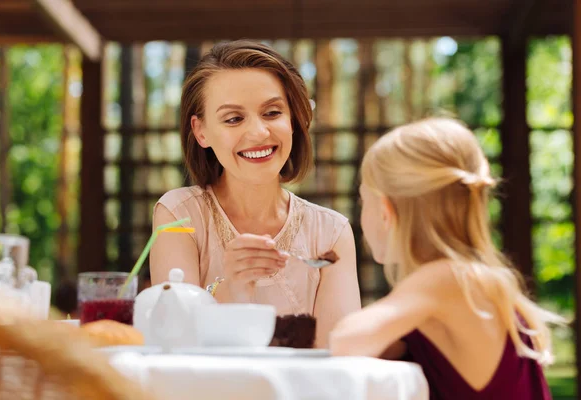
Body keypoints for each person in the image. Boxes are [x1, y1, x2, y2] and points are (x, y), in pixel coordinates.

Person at [329, 117, 564, 399]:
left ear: (385, 211)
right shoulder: (472, 280)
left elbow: (345, 340)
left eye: (362, 200)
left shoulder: (444, 278)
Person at [150, 40, 361, 348]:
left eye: (272, 112)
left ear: (293, 121)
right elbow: (173, 344)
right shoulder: (178, 215)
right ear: (201, 131)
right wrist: (232, 287)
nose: (259, 132)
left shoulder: (331, 233)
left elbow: (338, 354)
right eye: (234, 119)